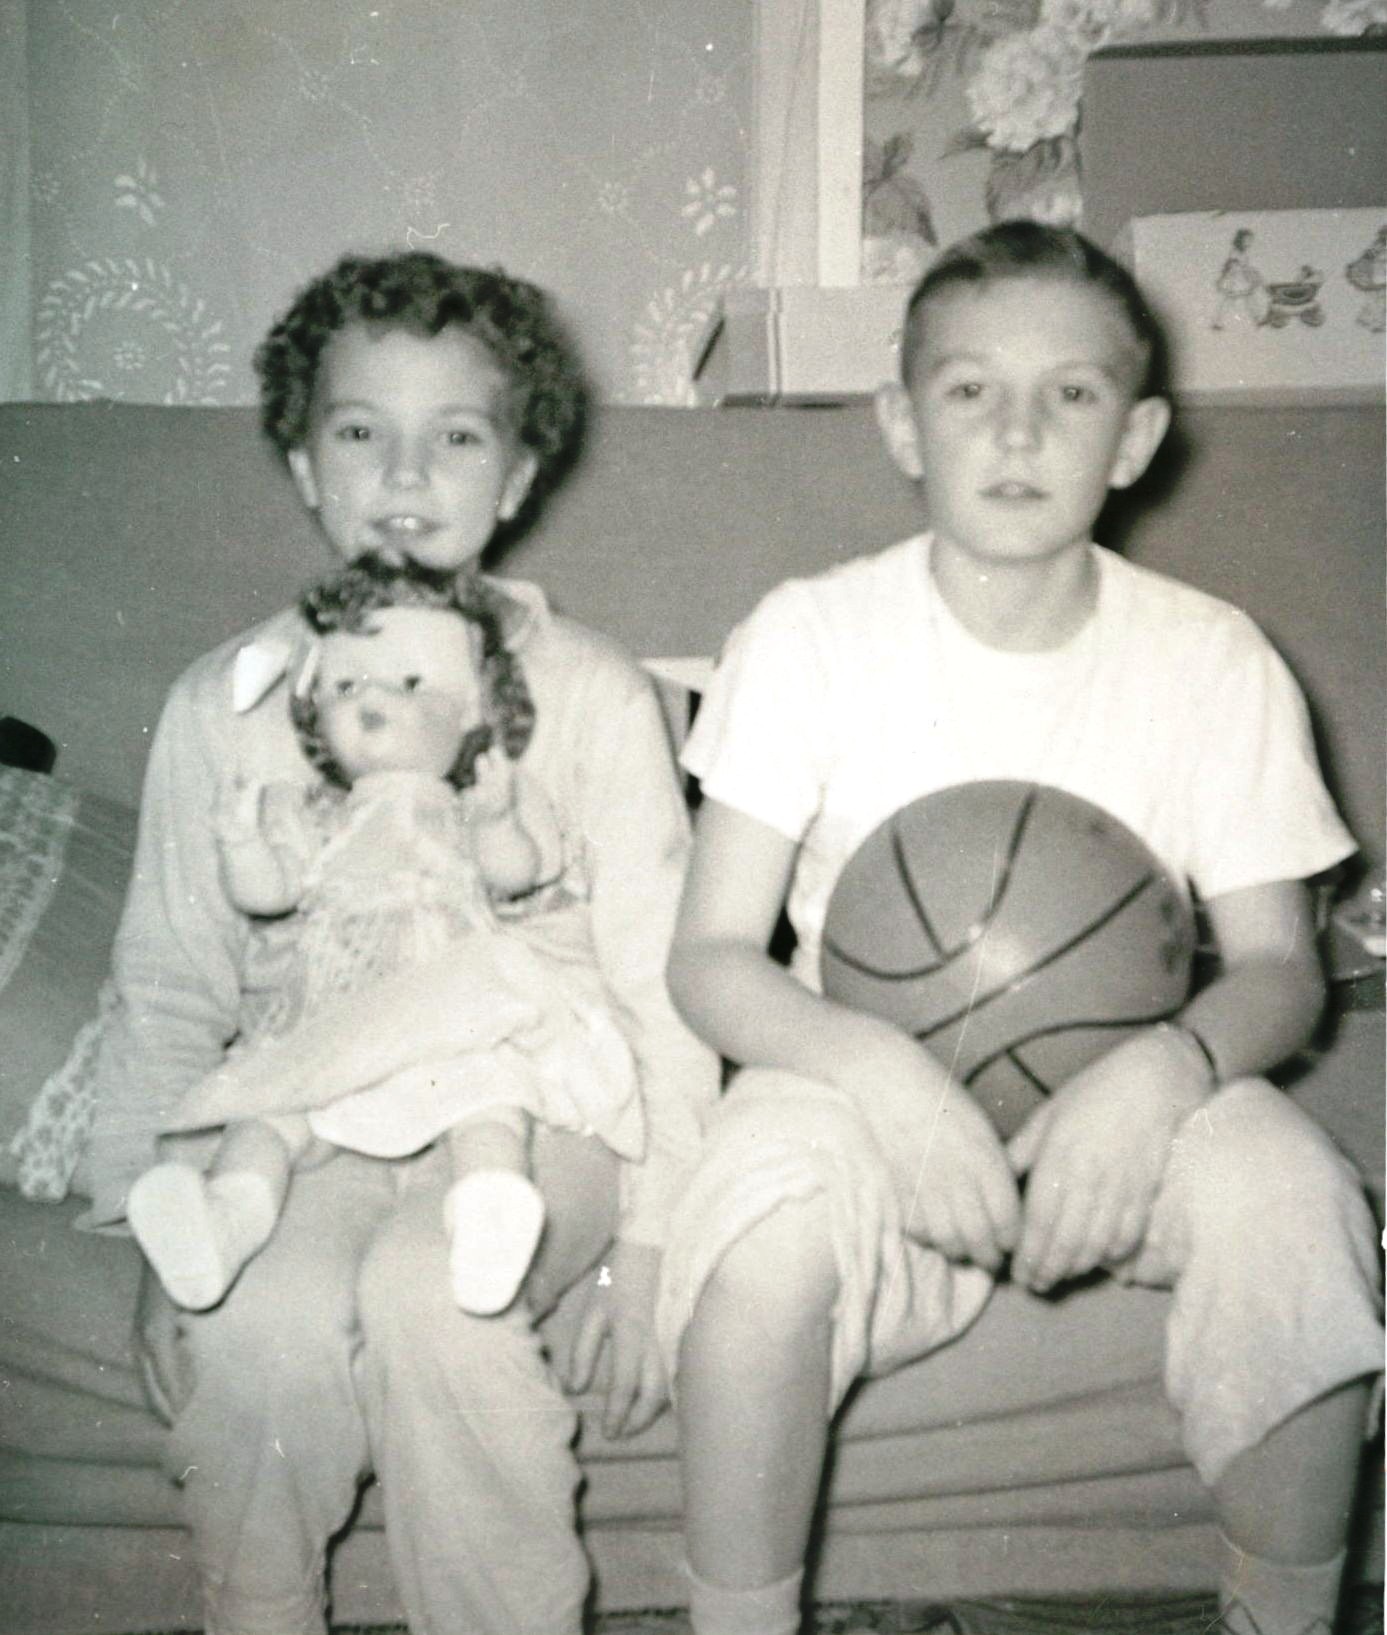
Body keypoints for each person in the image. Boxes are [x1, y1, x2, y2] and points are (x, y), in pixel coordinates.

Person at [657, 222, 1383, 1635]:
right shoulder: (806, 634)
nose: (1016, 431)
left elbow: (1277, 971)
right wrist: (881, 1078)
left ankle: (1279, 1615)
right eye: (969, 389)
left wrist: (1163, 1071)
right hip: (852, 1076)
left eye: (1071, 393)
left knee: (1299, 1209)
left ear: (1135, 438)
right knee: (754, 1241)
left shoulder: (1212, 656)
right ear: (900, 423)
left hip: (1130, 1087)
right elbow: (709, 959)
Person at [81, 250, 718, 1635]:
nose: (407, 477)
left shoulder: (593, 694)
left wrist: (654, 1247)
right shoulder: (223, 703)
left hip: (537, 1103)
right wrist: (147, 1225)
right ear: (303, 464)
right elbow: (169, 982)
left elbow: (663, 983)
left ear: (520, 475)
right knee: (256, 1324)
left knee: (439, 1297)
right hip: (309, 1106)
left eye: (458, 438)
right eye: (362, 432)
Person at [127, 554, 643, 1321]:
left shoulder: (472, 801)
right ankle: (226, 1222)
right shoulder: (314, 810)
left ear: (471, 708)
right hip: (335, 1012)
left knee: (489, 1092)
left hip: (444, 1001)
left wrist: (498, 818)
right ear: (314, 711)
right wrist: (240, 842)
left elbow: (515, 874)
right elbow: (268, 893)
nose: (370, 704)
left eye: (407, 683)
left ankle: (489, 1207)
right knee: (271, 1110)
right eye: (345, 686)